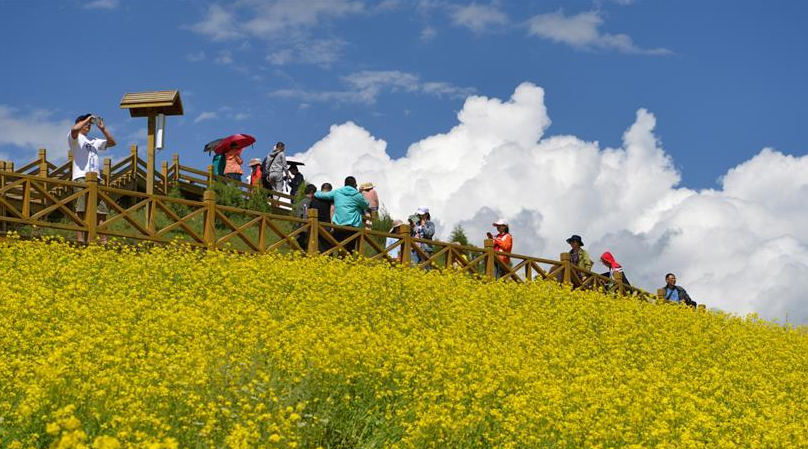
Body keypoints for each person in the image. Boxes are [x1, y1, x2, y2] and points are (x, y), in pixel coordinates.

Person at [69, 113, 116, 243]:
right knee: (81, 209)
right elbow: (74, 129)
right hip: (81, 176)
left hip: (97, 179)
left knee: (101, 209)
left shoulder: (94, 140)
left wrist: (103, 129)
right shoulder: (75, 138)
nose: (88, 125)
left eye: (89, 124)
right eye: (86, 123)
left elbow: (112, 143)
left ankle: (103, 239)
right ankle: (80, 239)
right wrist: (87, 119)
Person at [313, 176, 369, 254]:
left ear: (345, 184)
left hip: (339, 225)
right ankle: (346, 264)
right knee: (349, 251)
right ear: (355, 185)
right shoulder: (357, 195)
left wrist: (316, 192)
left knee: (337, 248)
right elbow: (366, 205)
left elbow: (322, 195)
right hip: (353, 227)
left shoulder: (337, 192)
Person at [309, 182, 334, 252]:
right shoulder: (330, 199)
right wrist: (332, 225)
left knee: (316, 246)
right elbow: (332, 210)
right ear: (330, 190)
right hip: (326, 224)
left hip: (314, 224)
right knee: (327, 247)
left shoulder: (314, 197)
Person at [294, 184, 317, 252]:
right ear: (312, 192)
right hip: (304, 227)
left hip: (299, 226)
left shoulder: (302, 201)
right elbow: (305, 213)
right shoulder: (307, 201)